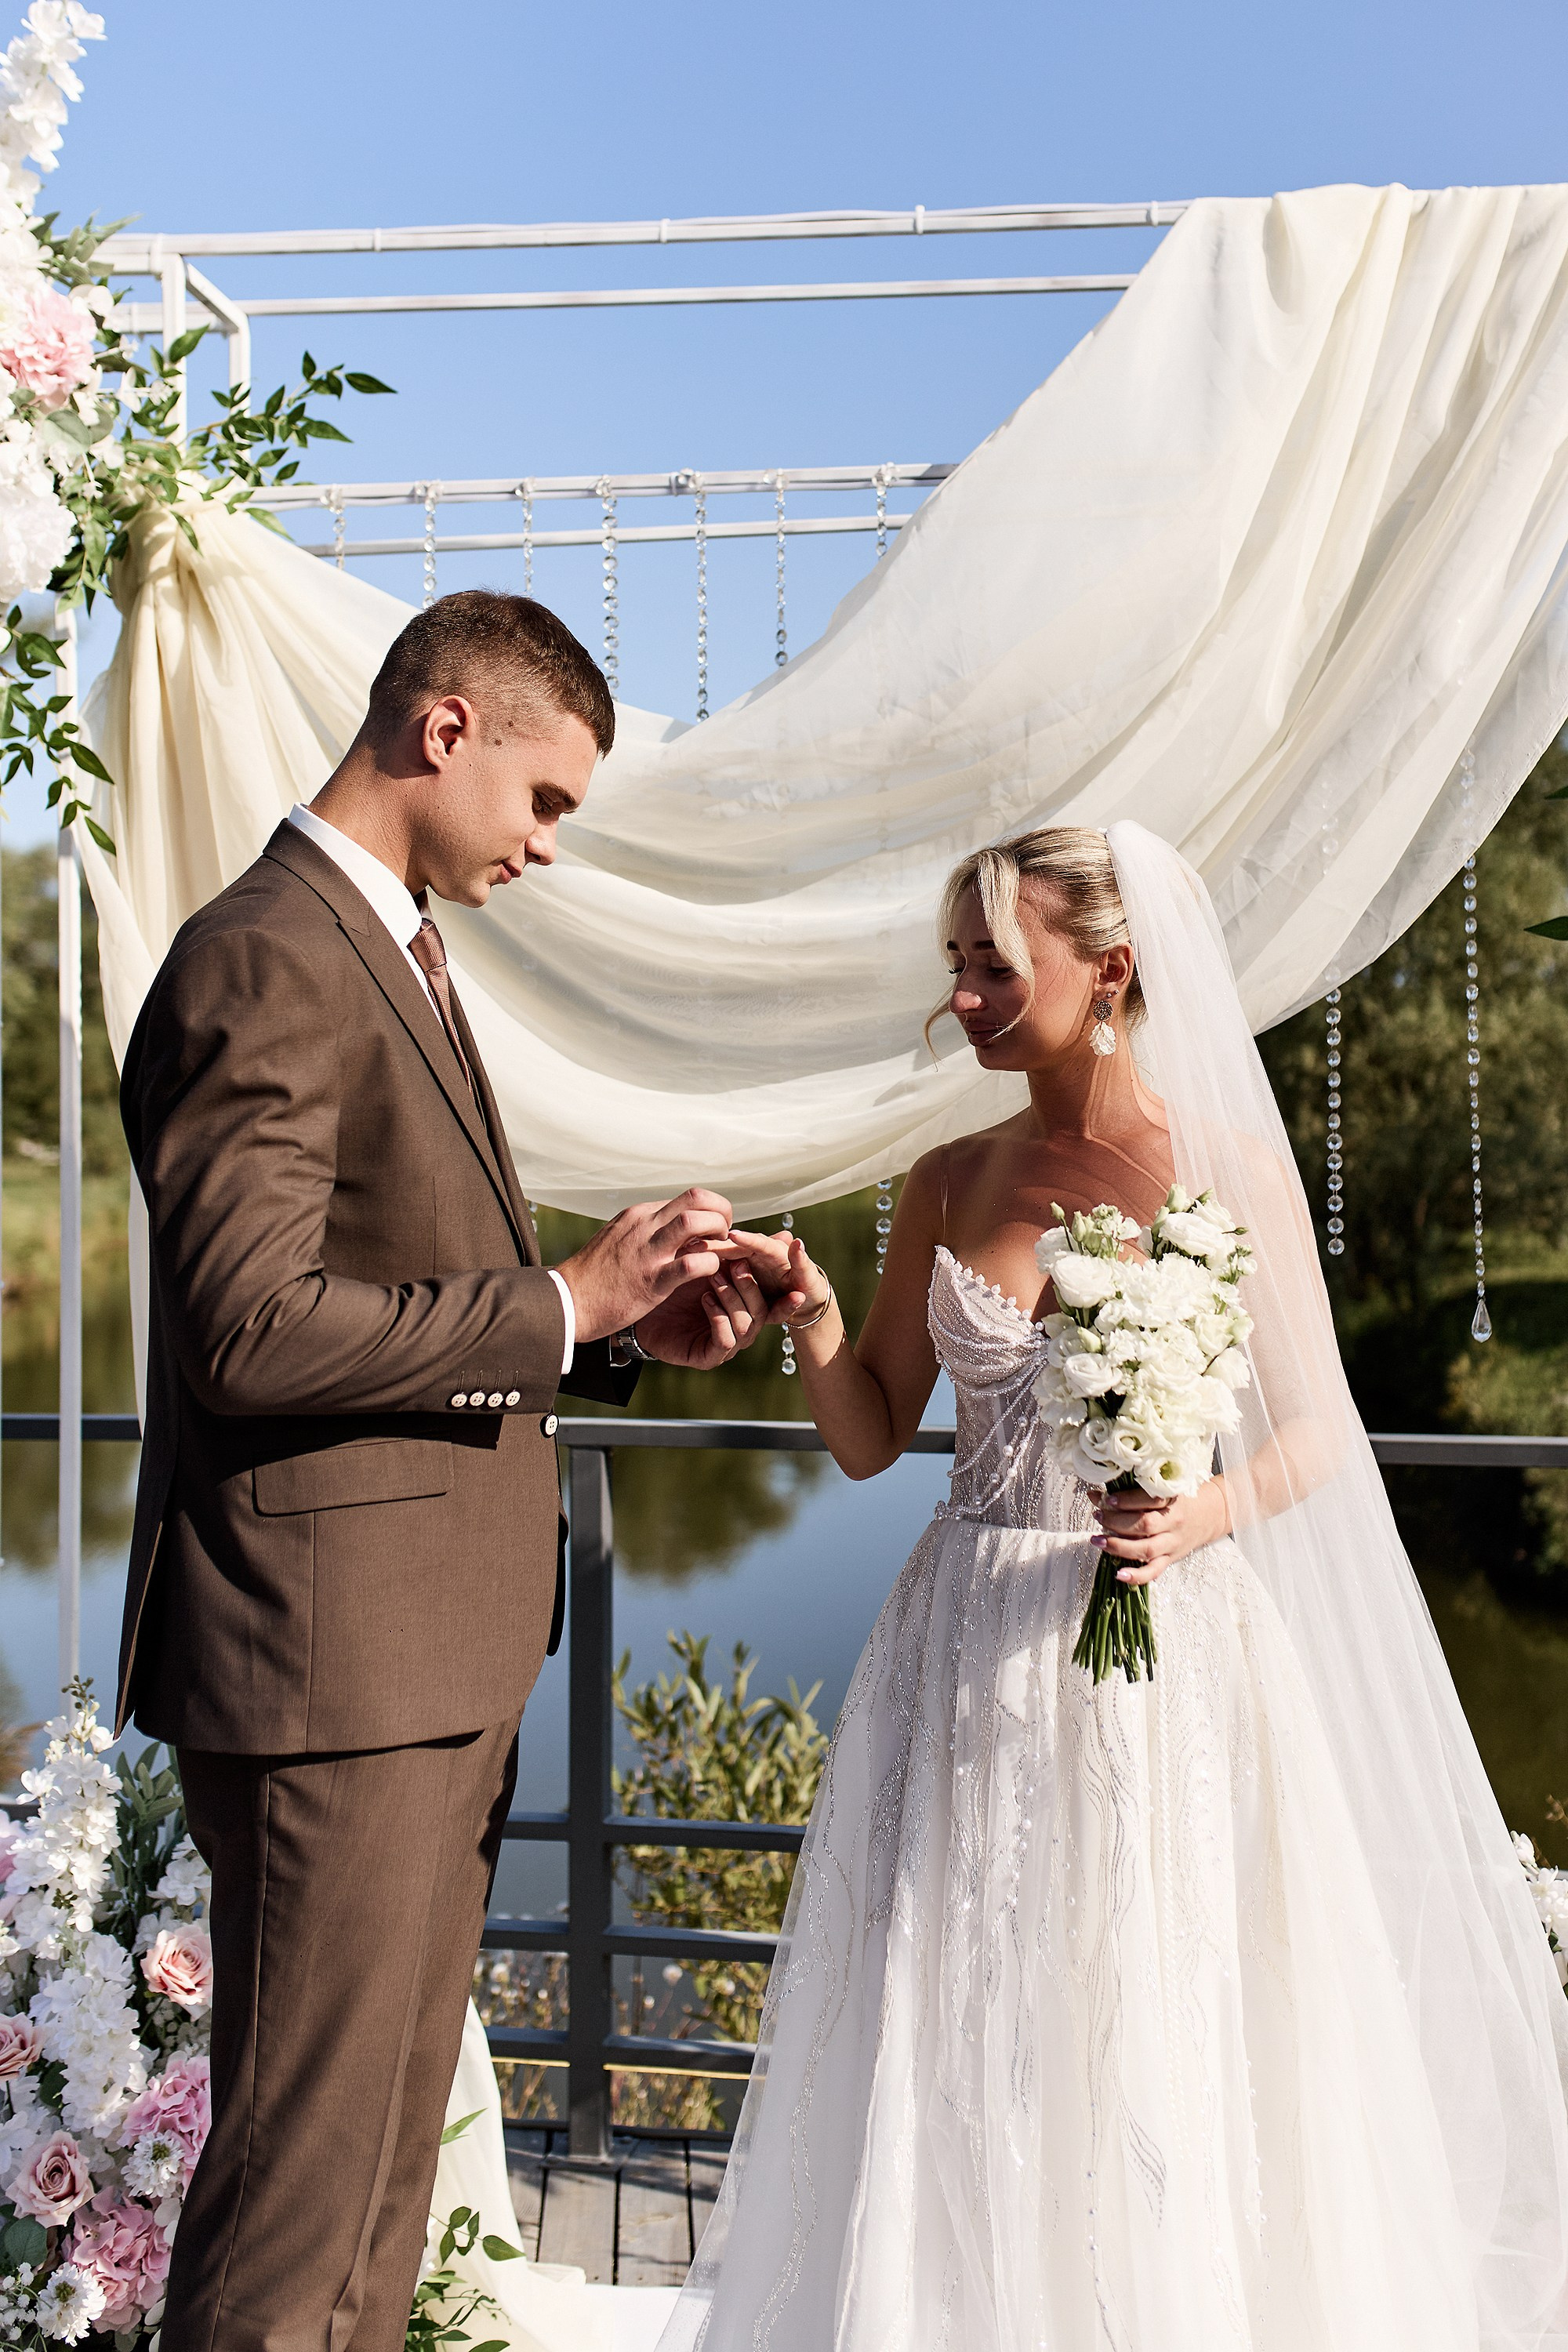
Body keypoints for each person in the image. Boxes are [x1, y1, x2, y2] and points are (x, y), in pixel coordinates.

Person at [657, 823, 1568, 2352]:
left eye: (994, 966)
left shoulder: (1213, 1170)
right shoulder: (946, 1177)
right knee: (960, 2022)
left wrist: (1199, 1514)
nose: (965, 999)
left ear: (1110, 966)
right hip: (963, 1650)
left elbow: (1314, 1431)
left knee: (1154, 2011)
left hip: (1159, 1665)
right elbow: (875, 1436)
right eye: (954, 967)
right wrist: (811, 1315)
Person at [114, 590, 770, 2352]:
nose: (550, 849)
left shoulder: (393, 950)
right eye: (548, 803)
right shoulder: (264, 953)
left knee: (382, 2187)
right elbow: (248, 1328)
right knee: (297, 2195)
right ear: (448, 730)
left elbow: (398, 1273)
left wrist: (619, 1339)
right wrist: (561, 1295)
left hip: (424, 1660)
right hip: (335, 1671)